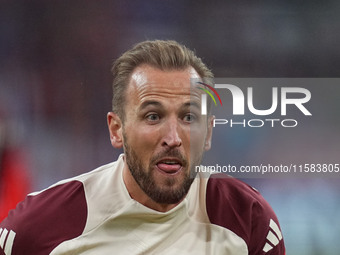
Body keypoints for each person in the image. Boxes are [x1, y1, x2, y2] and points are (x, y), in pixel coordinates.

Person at [0, 40, 285, 255]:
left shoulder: (248, 219)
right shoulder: (38, 228)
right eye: (153, 116)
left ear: (208, 133)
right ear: (117, 130)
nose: (173, 137)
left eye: (188, 117)